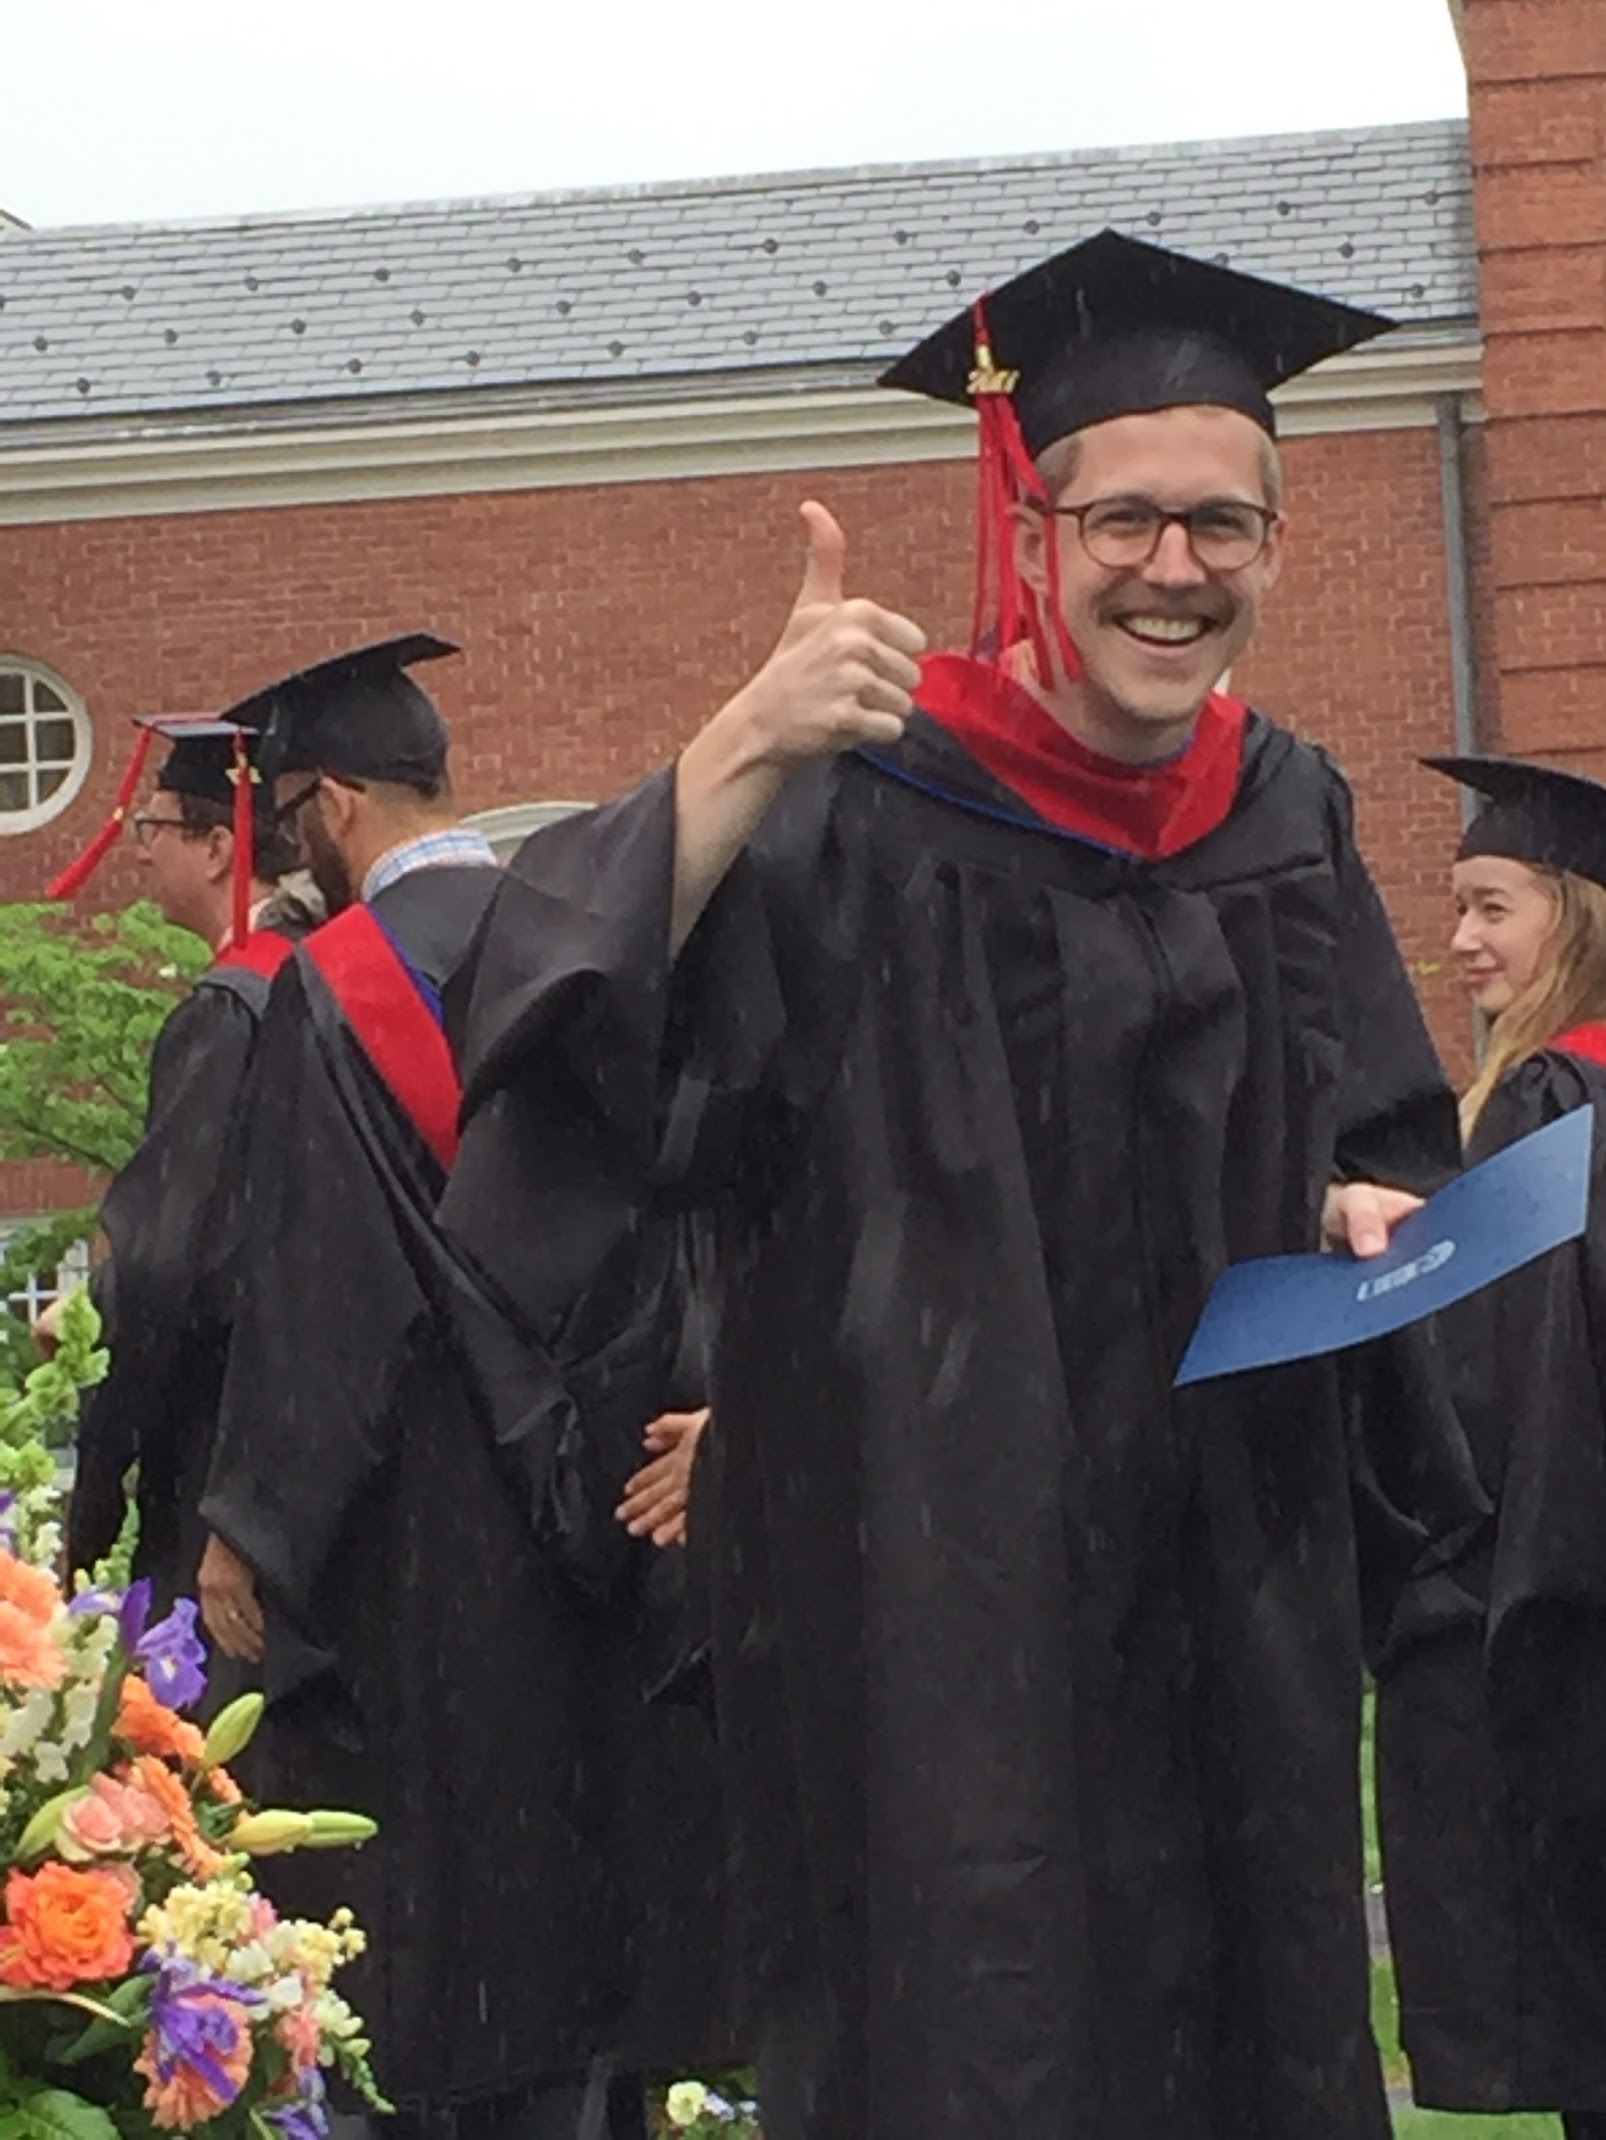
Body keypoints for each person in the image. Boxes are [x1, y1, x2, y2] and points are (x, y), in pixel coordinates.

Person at [438, 231, 1469, 2140]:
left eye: (1225, 527)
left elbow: (1378, 1113)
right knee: (968, 2009)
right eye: (1129, 521)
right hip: (926, 1558)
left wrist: (1362, 1204)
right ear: (1030, 528)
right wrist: (739, 743)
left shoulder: (1286, 806)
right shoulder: (858, 803)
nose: (1179, 569)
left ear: (1272, 542)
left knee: (1253, 2002)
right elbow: (598, 1079)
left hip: (1225, 1559)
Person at [195, 635, 693, 2140]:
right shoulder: (596, 933)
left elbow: (315, 1296)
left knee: (457, 1904)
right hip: (633, 1487)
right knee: (613, 1863)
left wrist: (252, 1522)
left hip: (439, 1529)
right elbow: (700, 1204)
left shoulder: (333, 992)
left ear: (334, 803)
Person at [1377, 756, 1606, 2140]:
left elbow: (1485, 1396)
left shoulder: (1543, 1111)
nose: (1458, 940)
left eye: (1488, 906)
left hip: (1553, 1619)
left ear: (1571, 917)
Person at [57, 716, 317, 1607]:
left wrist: (90, 1503)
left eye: (154, 828)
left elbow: (165, 1264)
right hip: (322, 1439)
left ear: (217, 847)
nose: (139, 853)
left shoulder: (228, 1011)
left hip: (220, 1461)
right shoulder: (330, 977)